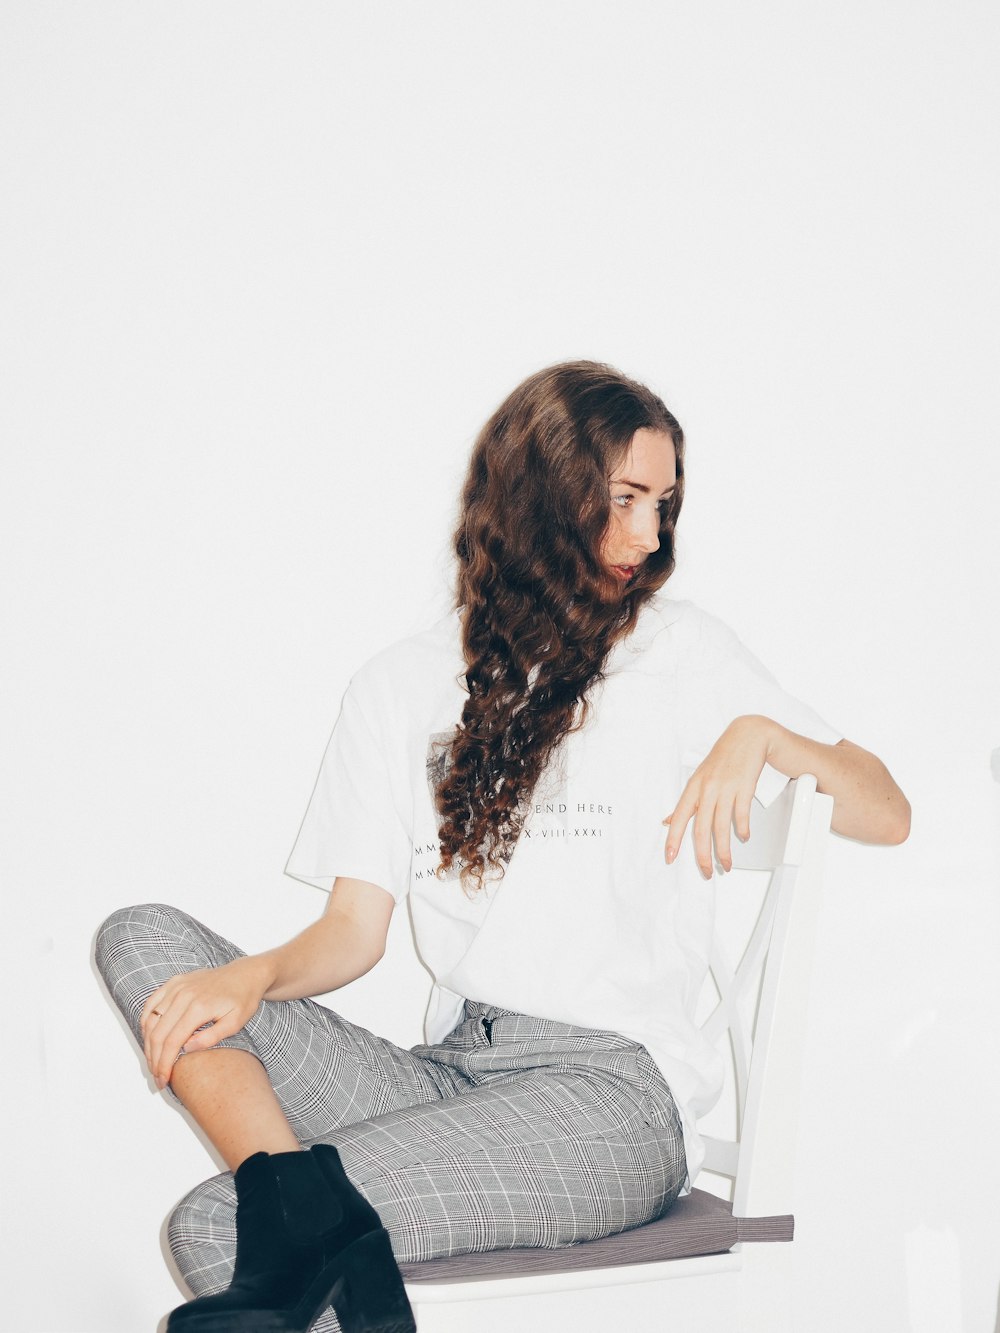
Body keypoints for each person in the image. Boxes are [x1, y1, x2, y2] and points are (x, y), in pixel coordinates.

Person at [95, 361, 910, 1333]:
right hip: (452, 1073)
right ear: (544, 495)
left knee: (218, 1230)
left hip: (610, 1098)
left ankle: (301, 1234)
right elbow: (354, 931)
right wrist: (256, 977)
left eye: (664, 504)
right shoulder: (400, 685)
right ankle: (315, 1230)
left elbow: (886, 811)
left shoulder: (680, 652)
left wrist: (770, 738)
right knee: (143, 938)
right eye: (623, 499)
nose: (649, 535)